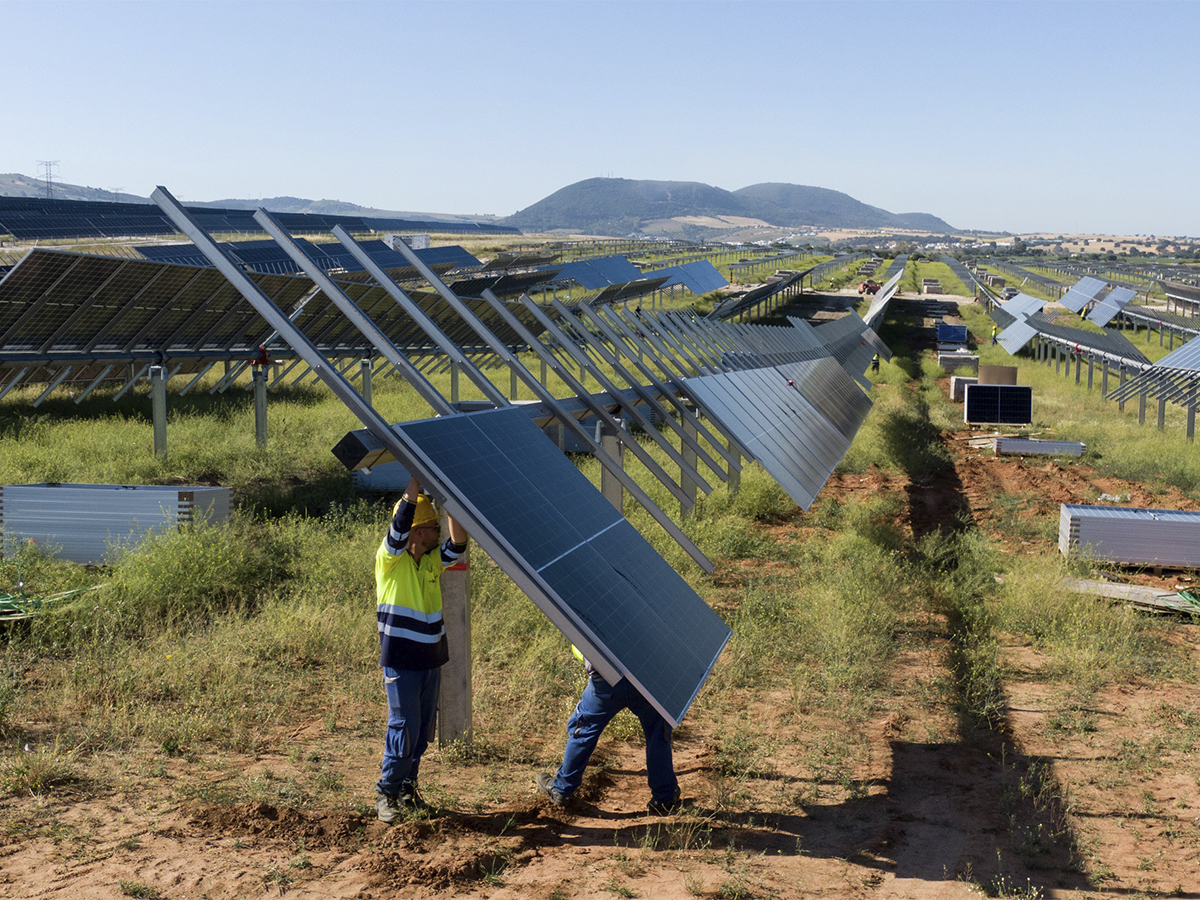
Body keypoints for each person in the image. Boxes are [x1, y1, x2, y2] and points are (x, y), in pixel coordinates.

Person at [374, 475, 467, 824]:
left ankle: (408, 787)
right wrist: (414, 477)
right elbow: (400, 522)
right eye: (431, 527)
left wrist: (450, 499)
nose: (437, 532)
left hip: (429, 661)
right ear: (416, 533)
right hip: (402, 662)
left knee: (423, 727)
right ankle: (387, 791)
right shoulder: (390, 560)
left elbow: (458, 543)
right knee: (405, 727)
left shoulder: (429, 562)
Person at [536, 648, 681, 815]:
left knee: (584, 730)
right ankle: (664, 797)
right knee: (657, 734)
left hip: (606, 682)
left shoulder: (591, 620)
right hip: (646, 678)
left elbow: (581, 646)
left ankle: (562, 790)